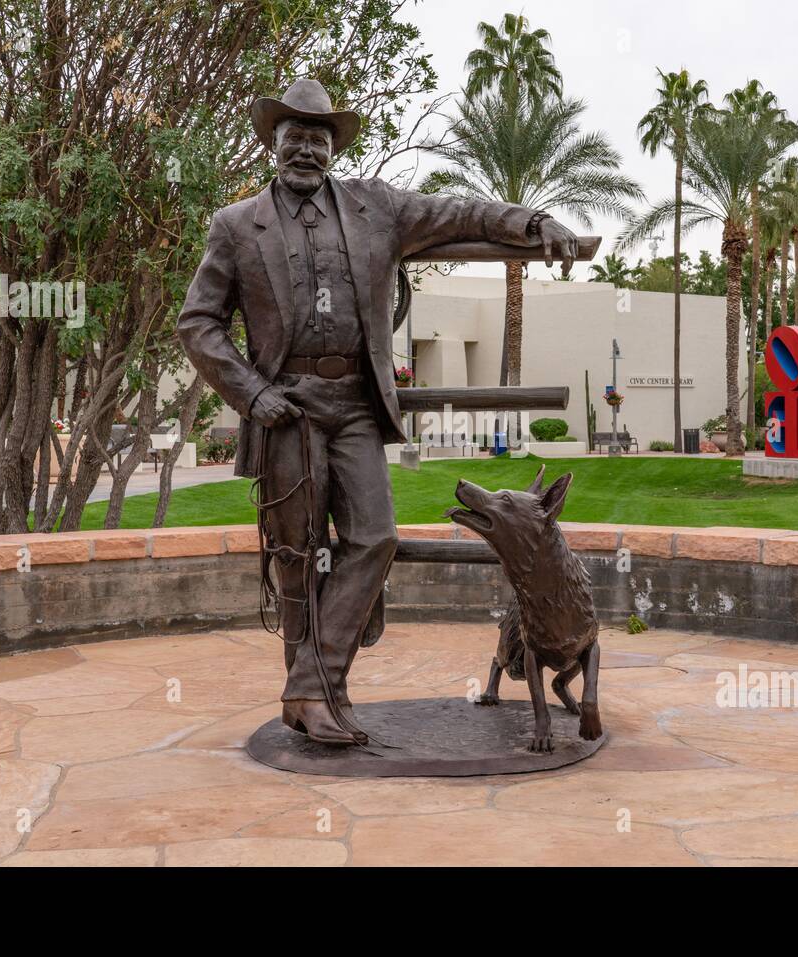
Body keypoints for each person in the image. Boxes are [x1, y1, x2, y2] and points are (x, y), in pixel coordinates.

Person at [177, 79, 579, 745]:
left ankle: (311, 685)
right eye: (293, 136)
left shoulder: (378, 209)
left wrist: (534, 223)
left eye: (317, 137)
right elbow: (198, 324)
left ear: (332, 146)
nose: (305, 148)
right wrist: (251, 392)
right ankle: (317, 700)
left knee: (376, 536)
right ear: (272, 142)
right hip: (287, 409)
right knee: (297, 556)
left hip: (356, 406)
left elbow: (462, 213)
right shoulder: (235, 226)